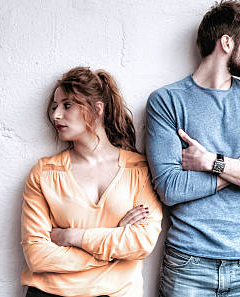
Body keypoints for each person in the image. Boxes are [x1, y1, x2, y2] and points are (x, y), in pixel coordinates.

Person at [145, 0, 240, 296]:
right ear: (227, 42)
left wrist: (213, 161)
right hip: (188, 265)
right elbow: (171, 189)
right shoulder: (166, 102)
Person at [21, 67, 162, 297]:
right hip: (51, 293)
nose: (56, 115)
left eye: (67, 105)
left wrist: (72, 237)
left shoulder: (137, 170)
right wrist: (114, 245)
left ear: (97, 109)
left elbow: (141, 242)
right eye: (55, 107)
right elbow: (38, 256)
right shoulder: (44, 173)